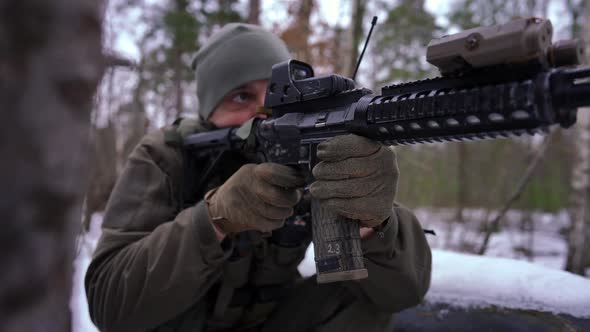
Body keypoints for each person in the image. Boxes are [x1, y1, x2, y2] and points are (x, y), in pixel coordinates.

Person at [85, 23, 432, 332]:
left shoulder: (310, 152)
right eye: (241, 96)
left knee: (361, 294)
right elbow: (107, 304)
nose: (263, 112)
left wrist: (373, 225)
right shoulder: (166, 157)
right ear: (209, 112)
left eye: (277, 94)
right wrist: (213, 220)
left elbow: (404, 292)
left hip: (269, 318)